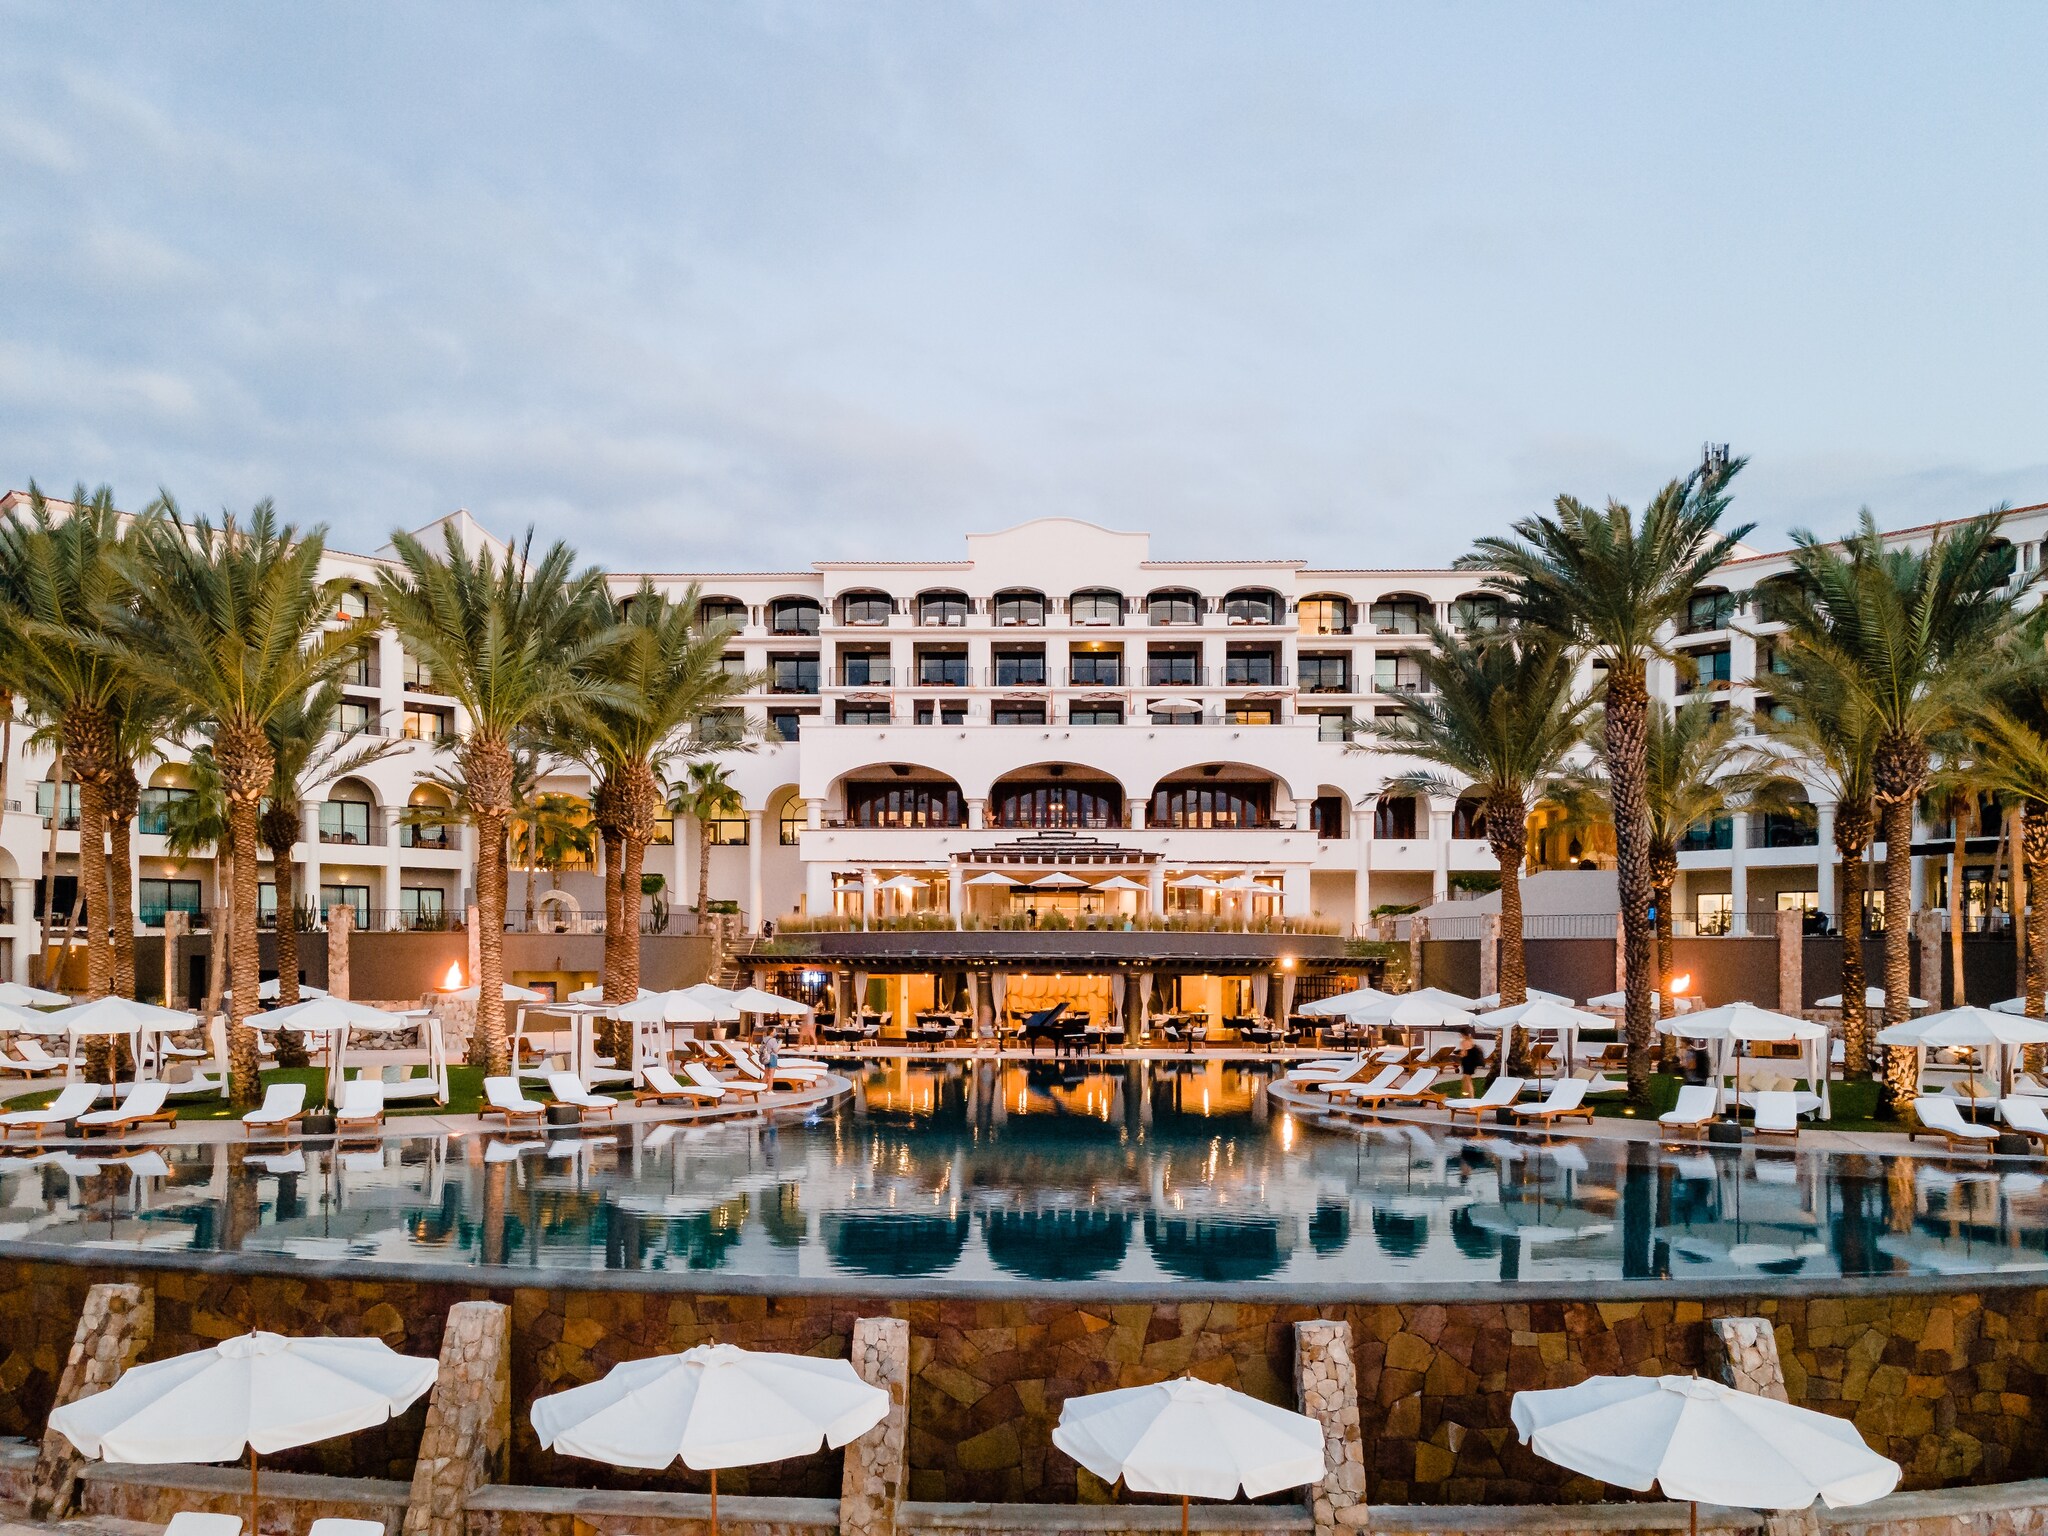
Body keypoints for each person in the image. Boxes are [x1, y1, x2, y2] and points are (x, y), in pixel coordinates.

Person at [1457, 1032, 1487, 1099]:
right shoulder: (1471, 1041)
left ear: (1463, 1034)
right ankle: (1465, 1094)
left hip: (1467, 1062)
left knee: (1467, 1080)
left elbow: (1463, 1053)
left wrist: (1459, 1054)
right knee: (1465, 1079)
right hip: (1472, 1062)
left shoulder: (1463, 1042)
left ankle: (1471, 1096)